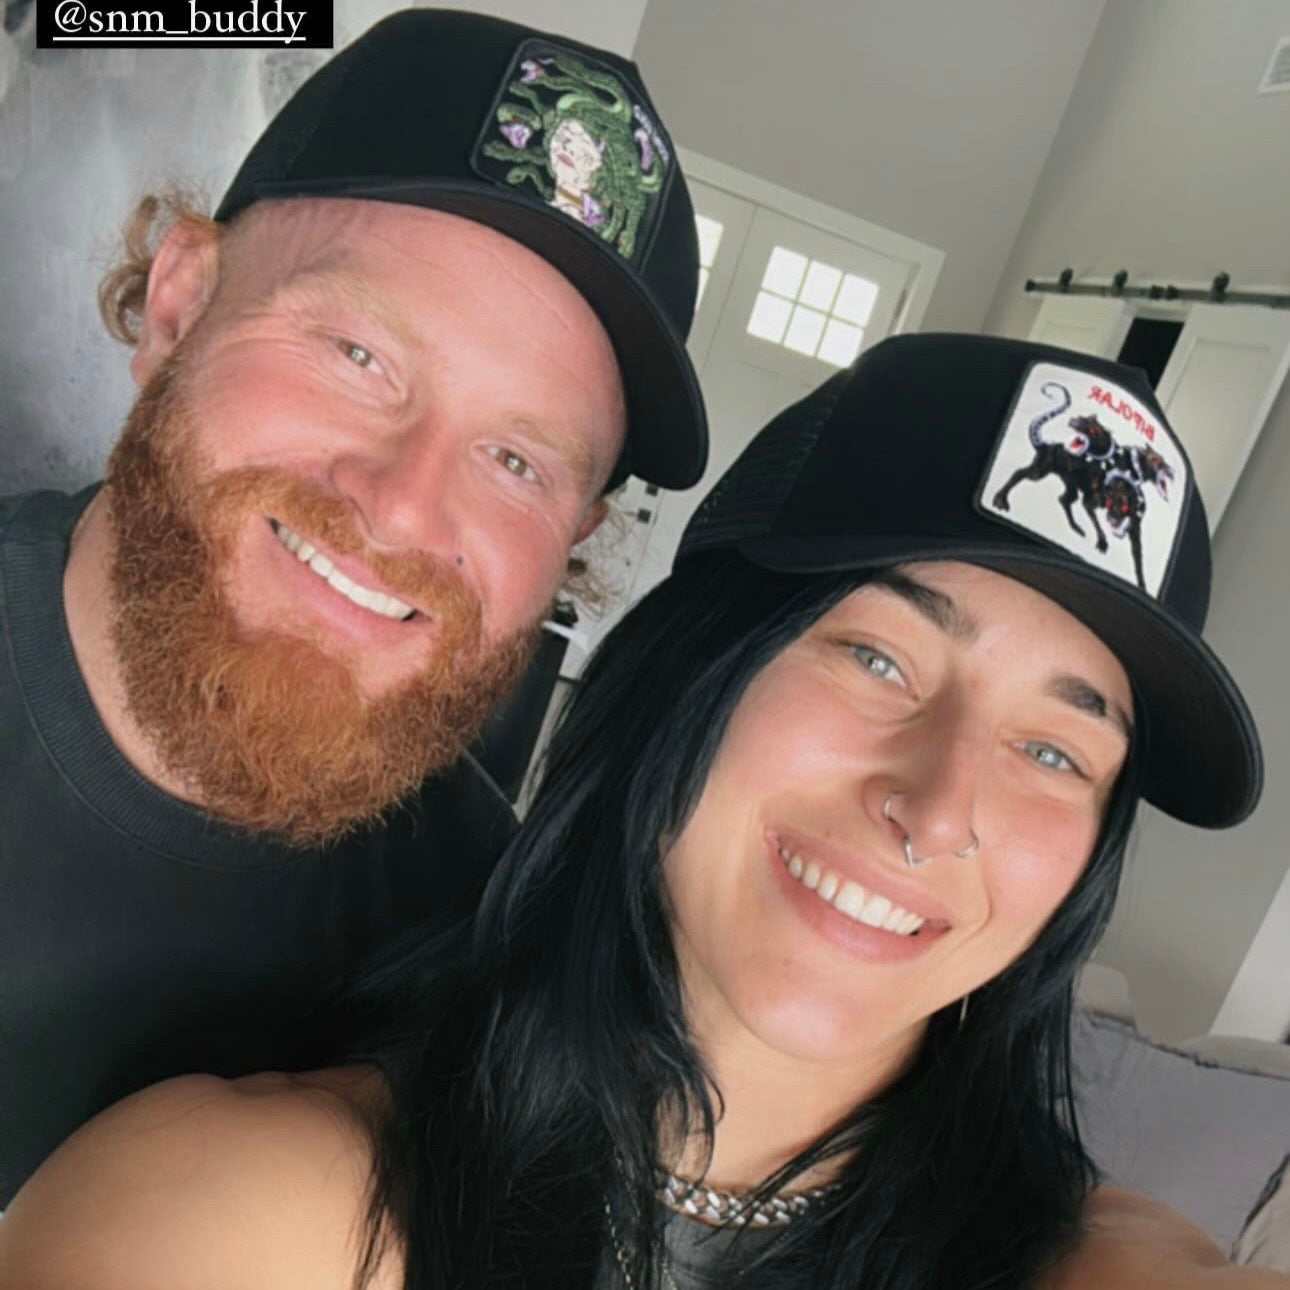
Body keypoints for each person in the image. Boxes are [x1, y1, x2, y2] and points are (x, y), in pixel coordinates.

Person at [0, 334, 1272, 1290]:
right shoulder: (247, 1216)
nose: (937, 811)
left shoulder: (1097, 1263)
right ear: (686, 675)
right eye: (876, 659)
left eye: (1055, 750)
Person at [0, 8, 707, 1205]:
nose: (401, 509)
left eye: (517, 462)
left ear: (575, 542)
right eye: (358, 356)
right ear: (177, 306)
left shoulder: (493, 969)